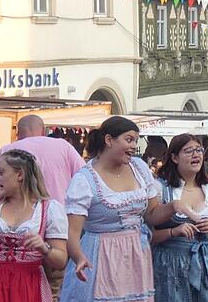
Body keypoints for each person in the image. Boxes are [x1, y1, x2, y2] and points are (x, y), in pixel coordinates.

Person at [61, 116, 191, 302]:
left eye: (135, 141)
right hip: (101, 257)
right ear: (108, 140)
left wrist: (173, 206)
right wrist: (79, 257)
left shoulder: (139, 167)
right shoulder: (85, 180)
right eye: (129, 139)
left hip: (136, 256)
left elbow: (152, 215)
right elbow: (72, 233)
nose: (133, 146)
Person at [0, 149, 68, 302]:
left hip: (28, 287)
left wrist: (44, 248)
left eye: (1, 172)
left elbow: (60, 261)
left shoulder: (49, 209)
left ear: (19, 175)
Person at [151, 134, 208, 302]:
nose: (196, 154)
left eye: (199, 150)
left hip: (204, 264)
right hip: (169, 266)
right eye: (188, 151)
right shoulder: (161, 189)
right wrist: (173, 231)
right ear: (174, 157)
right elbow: (147, 235)